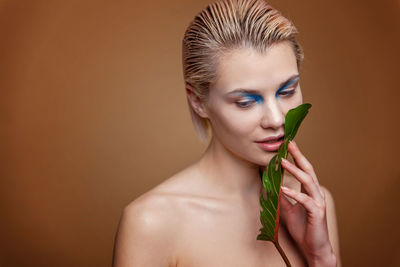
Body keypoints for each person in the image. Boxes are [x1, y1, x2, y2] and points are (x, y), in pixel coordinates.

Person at [112, 0, 341, 266]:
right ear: (198, 100)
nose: (277, 119)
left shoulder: (314, 205)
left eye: (287, 91)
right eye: (246, 101)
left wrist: (321, 257)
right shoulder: (152, 223)